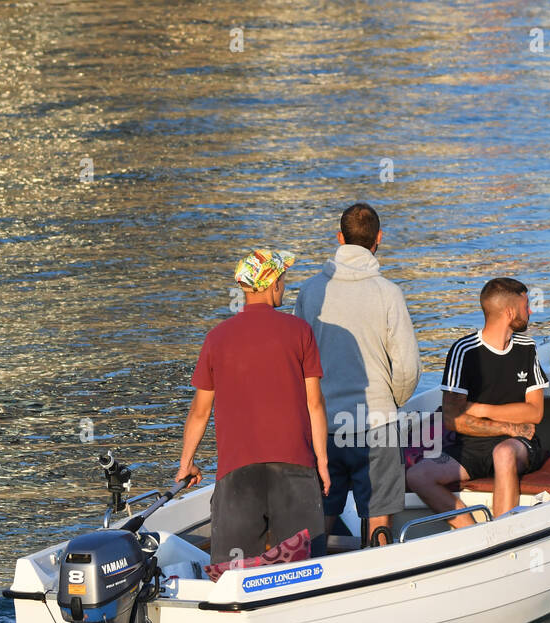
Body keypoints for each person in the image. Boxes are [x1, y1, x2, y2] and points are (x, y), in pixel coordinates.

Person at [175, 248, 331, 564]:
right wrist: (323, 463)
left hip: (236, 475)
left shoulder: (216, 339)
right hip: (295, 469)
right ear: (272, 283)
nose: (284, 287)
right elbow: (314, 404)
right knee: (306, 570)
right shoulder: (300, 331)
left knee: (232, 574)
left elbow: (200, 411)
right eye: (283, 280)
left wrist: (186, 463)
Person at [293, 203, 421, 546]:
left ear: (339, 238)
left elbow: (298, 363)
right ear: (379, 238)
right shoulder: (388, 293)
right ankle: (379, 577)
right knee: (378, 516)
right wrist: (390, 400)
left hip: (326, 426)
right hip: (376, 423)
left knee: (320, 515)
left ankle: (310, 576)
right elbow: (407, 368)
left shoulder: (310, 291)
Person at [406, 277, 547, 525]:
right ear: (510, 311)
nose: (531, 311)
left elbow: (534, 413)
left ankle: (503, 535)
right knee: (418, 476)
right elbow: (452, 419)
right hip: (472, 446)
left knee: (502, 452)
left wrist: (479, 409)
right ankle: (474, 535)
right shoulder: (464, 350)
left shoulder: (527, 347)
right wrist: (508, 425)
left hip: (518, 444)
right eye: (526, 306)